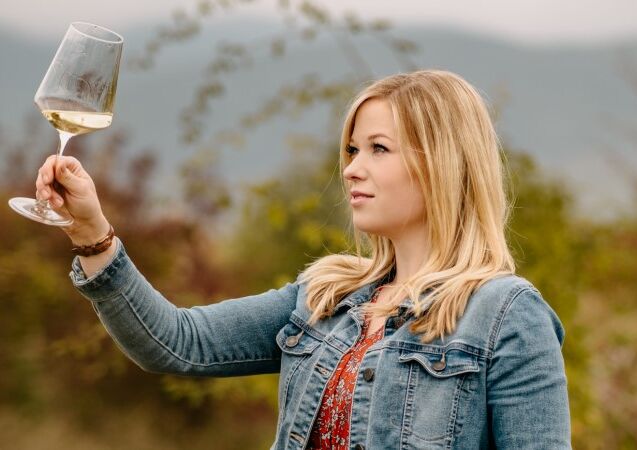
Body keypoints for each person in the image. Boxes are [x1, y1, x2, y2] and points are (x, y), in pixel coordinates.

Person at [35, 69, 571, 449]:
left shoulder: (505, 316)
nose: (352, 169)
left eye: (378, 149)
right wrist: (92, 232)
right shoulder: (325, 297)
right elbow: (177, 343)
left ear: (443, 166)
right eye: (352, 150)